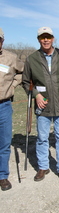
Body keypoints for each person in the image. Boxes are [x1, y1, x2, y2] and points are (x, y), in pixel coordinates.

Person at [22, 27, 59, 184]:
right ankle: (43, 166)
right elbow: (25, 82)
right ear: (38, 40)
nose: (45, 40)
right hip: (42, 105)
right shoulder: (32, 59)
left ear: (53, 38)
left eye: (48, 37)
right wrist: (36, 94)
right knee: (42, 138)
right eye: (42, 37)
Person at [0, 28, 23, 191]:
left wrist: (13, 85)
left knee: (4, 143)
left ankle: (2, 176)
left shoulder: (11, 58)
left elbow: (23, 72)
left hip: (4, 106)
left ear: (2, 40)